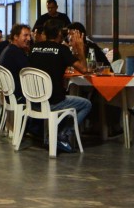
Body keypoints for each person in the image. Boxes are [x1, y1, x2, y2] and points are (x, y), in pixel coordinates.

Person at [27, 20, 91, 153]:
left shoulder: (34, 48)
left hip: (33, 101)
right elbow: (84, 69)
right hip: (53, 102)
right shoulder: (62, 49)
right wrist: (80, 49)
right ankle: (62, 135)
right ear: (59, 34)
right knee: (86, 104)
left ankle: (53, 135)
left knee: (63, 98)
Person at [0, 23, 32, 100]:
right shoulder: (16, 52)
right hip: (18, 96)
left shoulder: (8, 49)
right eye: (25, 35)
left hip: (8, 93)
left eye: (29, 35)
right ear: (16, 37)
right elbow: (29, 73)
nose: (29, 39)